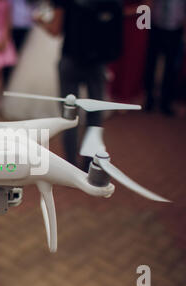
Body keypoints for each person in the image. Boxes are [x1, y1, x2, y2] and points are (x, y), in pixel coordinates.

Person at [37, 0, 123, 170]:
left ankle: (70, 165)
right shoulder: (112, 3)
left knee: (69, 116)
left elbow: (55, 30)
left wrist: (39, 21)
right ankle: (89, 164)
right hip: (97, 64)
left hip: (71, 60)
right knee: (95, 116)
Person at [143, 0, 186, 116]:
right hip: (156, 25)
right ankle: (149, 98)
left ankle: (166, 102)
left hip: (175, 28)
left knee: (171, 67)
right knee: (150, 63)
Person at [108, 0, 151, 104]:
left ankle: (126, 95)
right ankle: (114, 93)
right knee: (115, 57)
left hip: (138, 22)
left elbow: (148, 6)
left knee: (133, 58)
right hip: (119, 22)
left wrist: (123, 12)